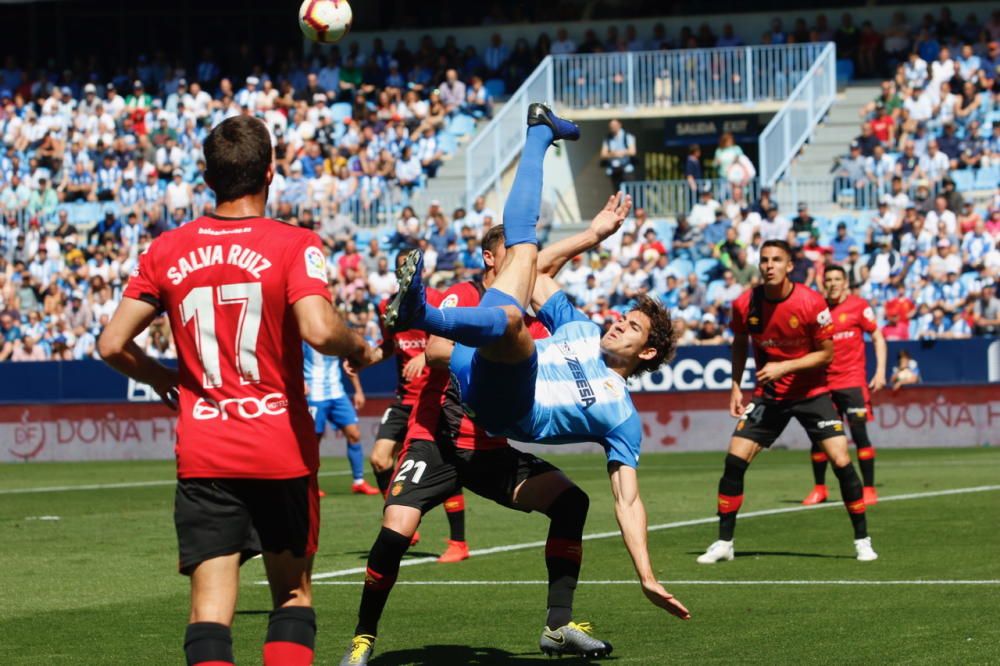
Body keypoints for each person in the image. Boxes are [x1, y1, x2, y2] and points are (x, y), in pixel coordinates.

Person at [385, 104, 691, 618]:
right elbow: (535, 269)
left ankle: (423, 313)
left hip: (503, 402)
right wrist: (592, 237)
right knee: (520, 252)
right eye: (623, 316)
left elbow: (629, 501)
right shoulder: (578, 325)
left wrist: (648, 576)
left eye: (632, 327)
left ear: (648, 353)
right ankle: (539, 133)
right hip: (473, 364)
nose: (617, 322)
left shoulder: (620, 415)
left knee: (515, 329)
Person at [97, 116, 379, 666]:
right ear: (270, 172)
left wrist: (164, 381)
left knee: (208, 609)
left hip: (206, 453)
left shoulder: (167, 249)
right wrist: (360, 348)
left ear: (208, 176)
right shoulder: (294, 244)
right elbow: (321, 331)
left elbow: (112, 344)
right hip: (280, 451)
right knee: (292, 598)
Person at [695, 240, 878, 564]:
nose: (769, 265)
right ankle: (724, 542)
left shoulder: (810, 302)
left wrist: (785, 366)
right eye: (764, 260)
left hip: (812, 393)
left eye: (776, 260)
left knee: (840, 460)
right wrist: (735, 386)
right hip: (769, 396)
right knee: (734, 459)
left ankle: (862, 540)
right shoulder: (744, 303)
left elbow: (827, 354)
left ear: (789, 266)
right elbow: (739, 342)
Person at [370, 261, 469, 563]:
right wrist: (365, 358)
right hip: (403, 398)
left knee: (442, 465)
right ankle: (403, 521)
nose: (407, 274)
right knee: (379, 458)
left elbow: (450, 342)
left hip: (433, 397)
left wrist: (425, 359)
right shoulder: (387, 306)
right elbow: (389, 345)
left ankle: (458, 543)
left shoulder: (440, 300)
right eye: (403, 269)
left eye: (411, 268)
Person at [802, 266, 887, 508]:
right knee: (820, 438)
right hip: (824, 384)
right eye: (829, 279)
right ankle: (820, 488)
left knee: (859, 435)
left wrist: (880, 371)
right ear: (823, 283)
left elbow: (878, 337)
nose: (833, 283)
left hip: (852, 383)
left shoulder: (859, 307)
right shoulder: (817, 309)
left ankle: (868, 488)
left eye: (837, 279)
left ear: (845, 282)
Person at [304, 344, 380, 496]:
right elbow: (288, 359)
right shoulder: (305, 336)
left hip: (337, 393)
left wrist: (358, 391)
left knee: (354, 435)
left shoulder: (334, 336)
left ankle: (358, 482)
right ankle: (310, 485)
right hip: (314, 395)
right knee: (313, 441)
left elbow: (349, 363)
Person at [600, 118, 636, 193]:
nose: (613, 127)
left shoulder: (627, 136)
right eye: (611, 126)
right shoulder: (608, 139)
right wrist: (613, 154)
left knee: (630, 194)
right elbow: (603, 154)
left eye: (615, 125)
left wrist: (621, 153)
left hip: (626, 170)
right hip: (614, 171)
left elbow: (632, 151)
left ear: (620, 125)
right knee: (617, 194)